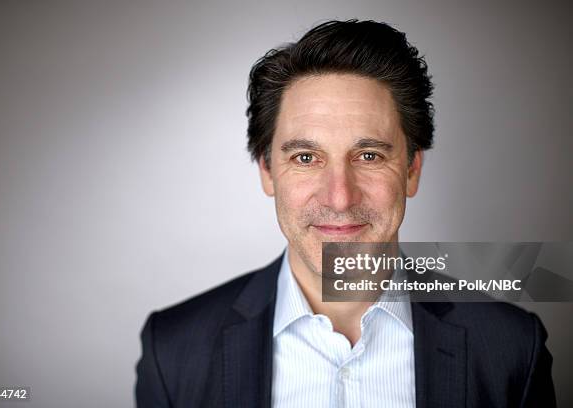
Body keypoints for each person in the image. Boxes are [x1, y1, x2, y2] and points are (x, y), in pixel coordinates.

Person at [135, 20, 556, 407]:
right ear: (267, 171)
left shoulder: (513, 347)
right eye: (305, 157)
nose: (339, 198)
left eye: (369, 155)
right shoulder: (172, 351)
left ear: (412, 170)